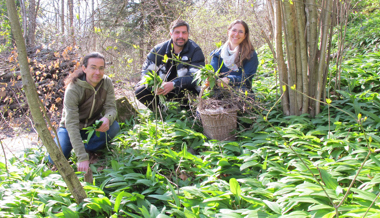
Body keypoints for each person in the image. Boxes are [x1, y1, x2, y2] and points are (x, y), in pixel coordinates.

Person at [48, 52, 120, 172]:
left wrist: (107, 118)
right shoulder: (74, 88)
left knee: (114, 127)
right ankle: (75, 148)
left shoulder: (107, 82)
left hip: (92, 127)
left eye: (101, 68)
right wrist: (82, 158)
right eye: (93, 67)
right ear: (84, 68)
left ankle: (89, 149)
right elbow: (71, 124)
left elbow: (111, 108)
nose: (97, 72)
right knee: (55, 158)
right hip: (69, 129)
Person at [135, 19, 205, 110]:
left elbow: (195, 76)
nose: (181, 36)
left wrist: (174, 84)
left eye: (184, 33)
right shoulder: (159, 50)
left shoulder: (195, 50)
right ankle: (162, 114)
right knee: (141, 90)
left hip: (183, 89)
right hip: (162, 89)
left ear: (188, 34)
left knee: (195, 90)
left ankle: (187, 115)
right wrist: (154, 85)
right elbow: (146, 71)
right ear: (171, 34)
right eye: (177, 32)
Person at [210, 20, 259, 93]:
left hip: (241, 95)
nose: (236, 34)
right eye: (234, 30)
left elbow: (246, 79)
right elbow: (213, 73)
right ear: (228, 32)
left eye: (241, 32)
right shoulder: (217, 54)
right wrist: (209, 79)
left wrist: (230, 80)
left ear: (245, 36)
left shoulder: (250, 55)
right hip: (219, 94)